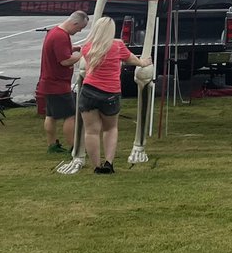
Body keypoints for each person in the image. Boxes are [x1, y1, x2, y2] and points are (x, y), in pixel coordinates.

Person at [78, 16, 152, 174]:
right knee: (110, 128)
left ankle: (96, 166)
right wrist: (142, 63)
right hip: (110, 92)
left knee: (91, 131)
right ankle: (109, 163)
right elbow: (132, 59)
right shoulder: (118, 46)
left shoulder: (87, 47)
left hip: (89, 90)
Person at [37, 10, 89, 154]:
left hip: (48, 82)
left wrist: (73, 49)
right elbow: (65, 60)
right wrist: (81, 55)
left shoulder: (54, 32)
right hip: (57, 84)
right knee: (70, 115)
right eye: (80, 28)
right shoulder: (61, 36)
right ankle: (74, 146)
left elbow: (59, 52)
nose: (79, 31)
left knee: (51, 115)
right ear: (75, 23)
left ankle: (52, 145)